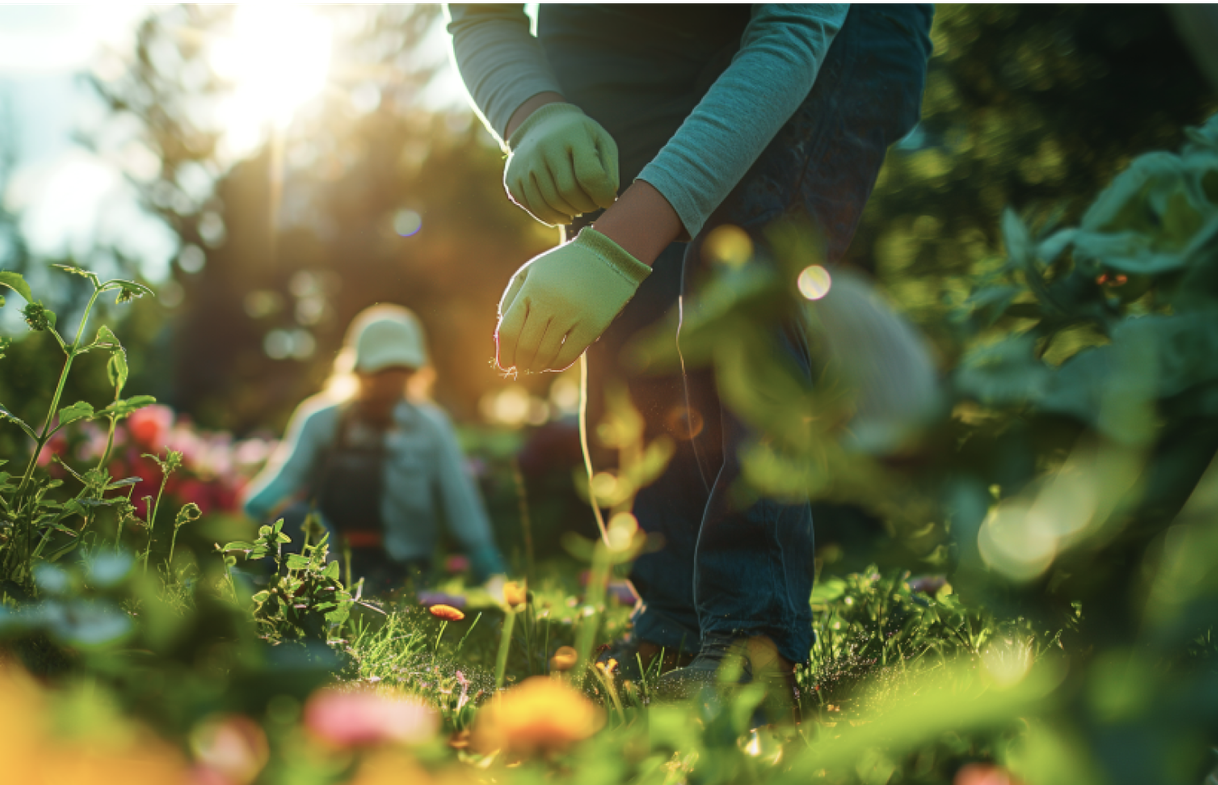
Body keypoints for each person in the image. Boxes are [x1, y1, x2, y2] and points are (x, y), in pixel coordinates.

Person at [445, 2, 933, 698]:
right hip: (611, 32)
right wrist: (535, 113)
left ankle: (751, 641)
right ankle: (673, 618)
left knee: (740, 278)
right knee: (627, 320)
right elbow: (478, 15)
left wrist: (618, 248)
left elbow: (794, 28)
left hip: (826, 26)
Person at [241, 305, 507, 596]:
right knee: (295, 518)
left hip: (400, 570)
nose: (389, 381)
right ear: (357, 368)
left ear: (415, 371)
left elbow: (462, 505)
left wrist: (493, 575)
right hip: (328, 562)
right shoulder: (320, 418)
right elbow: (283, 481)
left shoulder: (432, 426)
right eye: (381, 370)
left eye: (399, 370)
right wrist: (235, 521)